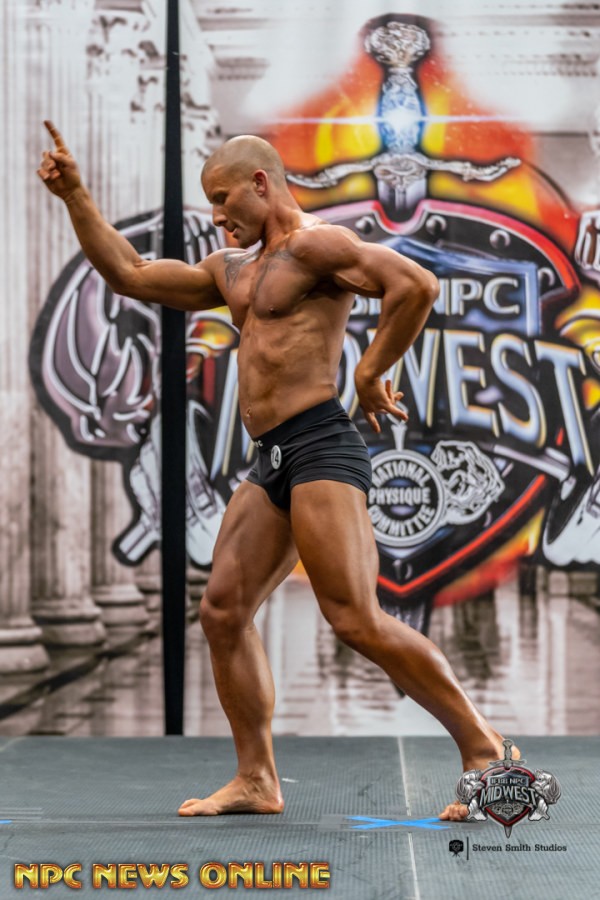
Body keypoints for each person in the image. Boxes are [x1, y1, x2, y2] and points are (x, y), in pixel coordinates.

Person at [38, 121, 518, 821]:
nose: (217, 215)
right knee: (223, 610)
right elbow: (131, 274)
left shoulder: (315, 247)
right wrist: (76, 196)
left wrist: (370, 372)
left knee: (355, 618)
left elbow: (414, 284)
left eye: (223, 197)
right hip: (270, 460)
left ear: (261, 183)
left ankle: (484, 750)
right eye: (210, 202)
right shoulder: (231, 270)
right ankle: (257, 779)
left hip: (321, 445)